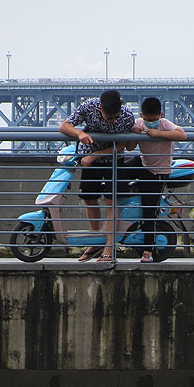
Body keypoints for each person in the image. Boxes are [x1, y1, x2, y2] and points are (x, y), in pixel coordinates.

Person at [59, 90, 135, 262]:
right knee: (89, 197)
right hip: (89, 159)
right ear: (100, 108)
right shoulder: (89, 106)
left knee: (111, 202)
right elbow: (65, 125)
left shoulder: (127, 115)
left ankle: (109, 246)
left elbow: (122, 145)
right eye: (110, 118)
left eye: (116, 117)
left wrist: (95, 155)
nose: (114, 121)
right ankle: (95, 241)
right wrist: (79, 133)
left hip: (113, 159)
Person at [126, 97, 187, 263]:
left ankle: (148, 250)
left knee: (149, 211)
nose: (150, 123)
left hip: (158, 171)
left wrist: (158, 134)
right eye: (147, 120)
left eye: (154, 120)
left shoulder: (165, 124)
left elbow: (182, 135)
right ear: (141, 115)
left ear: (160, 115)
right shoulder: (139, 123)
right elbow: (130, 147)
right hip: (143, 162)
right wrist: (134, 134)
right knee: (120, 171)